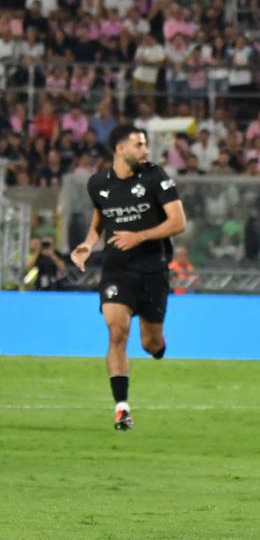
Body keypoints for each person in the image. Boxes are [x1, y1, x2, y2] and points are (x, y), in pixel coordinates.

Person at [70, 125, 187, 430]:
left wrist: (139, 236)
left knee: (150, 343)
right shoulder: (98, 184)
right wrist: (86, 245)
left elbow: (178, 222)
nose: (145, 150)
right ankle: (121, 407)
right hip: (117, 268)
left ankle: (158, 346)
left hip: (153, 269)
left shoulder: (155, 176)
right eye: (139, 144)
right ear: (120, 149)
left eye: (145, 144)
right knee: (117, 330)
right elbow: (100, 223)